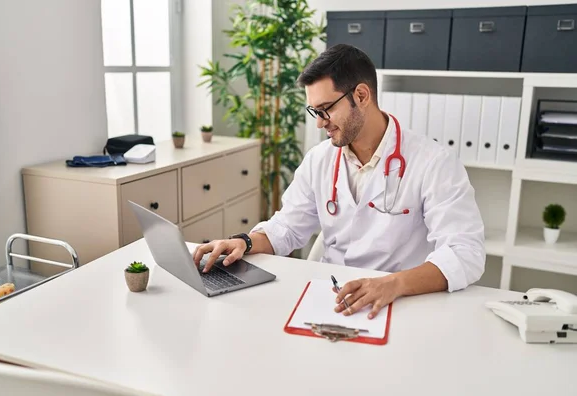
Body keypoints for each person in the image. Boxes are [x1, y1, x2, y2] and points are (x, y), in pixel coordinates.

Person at [193, 44, 486, 319]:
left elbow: (465, 253)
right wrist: (242, 242)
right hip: (331, 298)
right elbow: (287, 229)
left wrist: (391, 284)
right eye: (314, 112)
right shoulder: (319, 160)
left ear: (361, 95)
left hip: (401, 303)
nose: (319, 122)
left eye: (326, 109)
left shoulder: (434, 162)